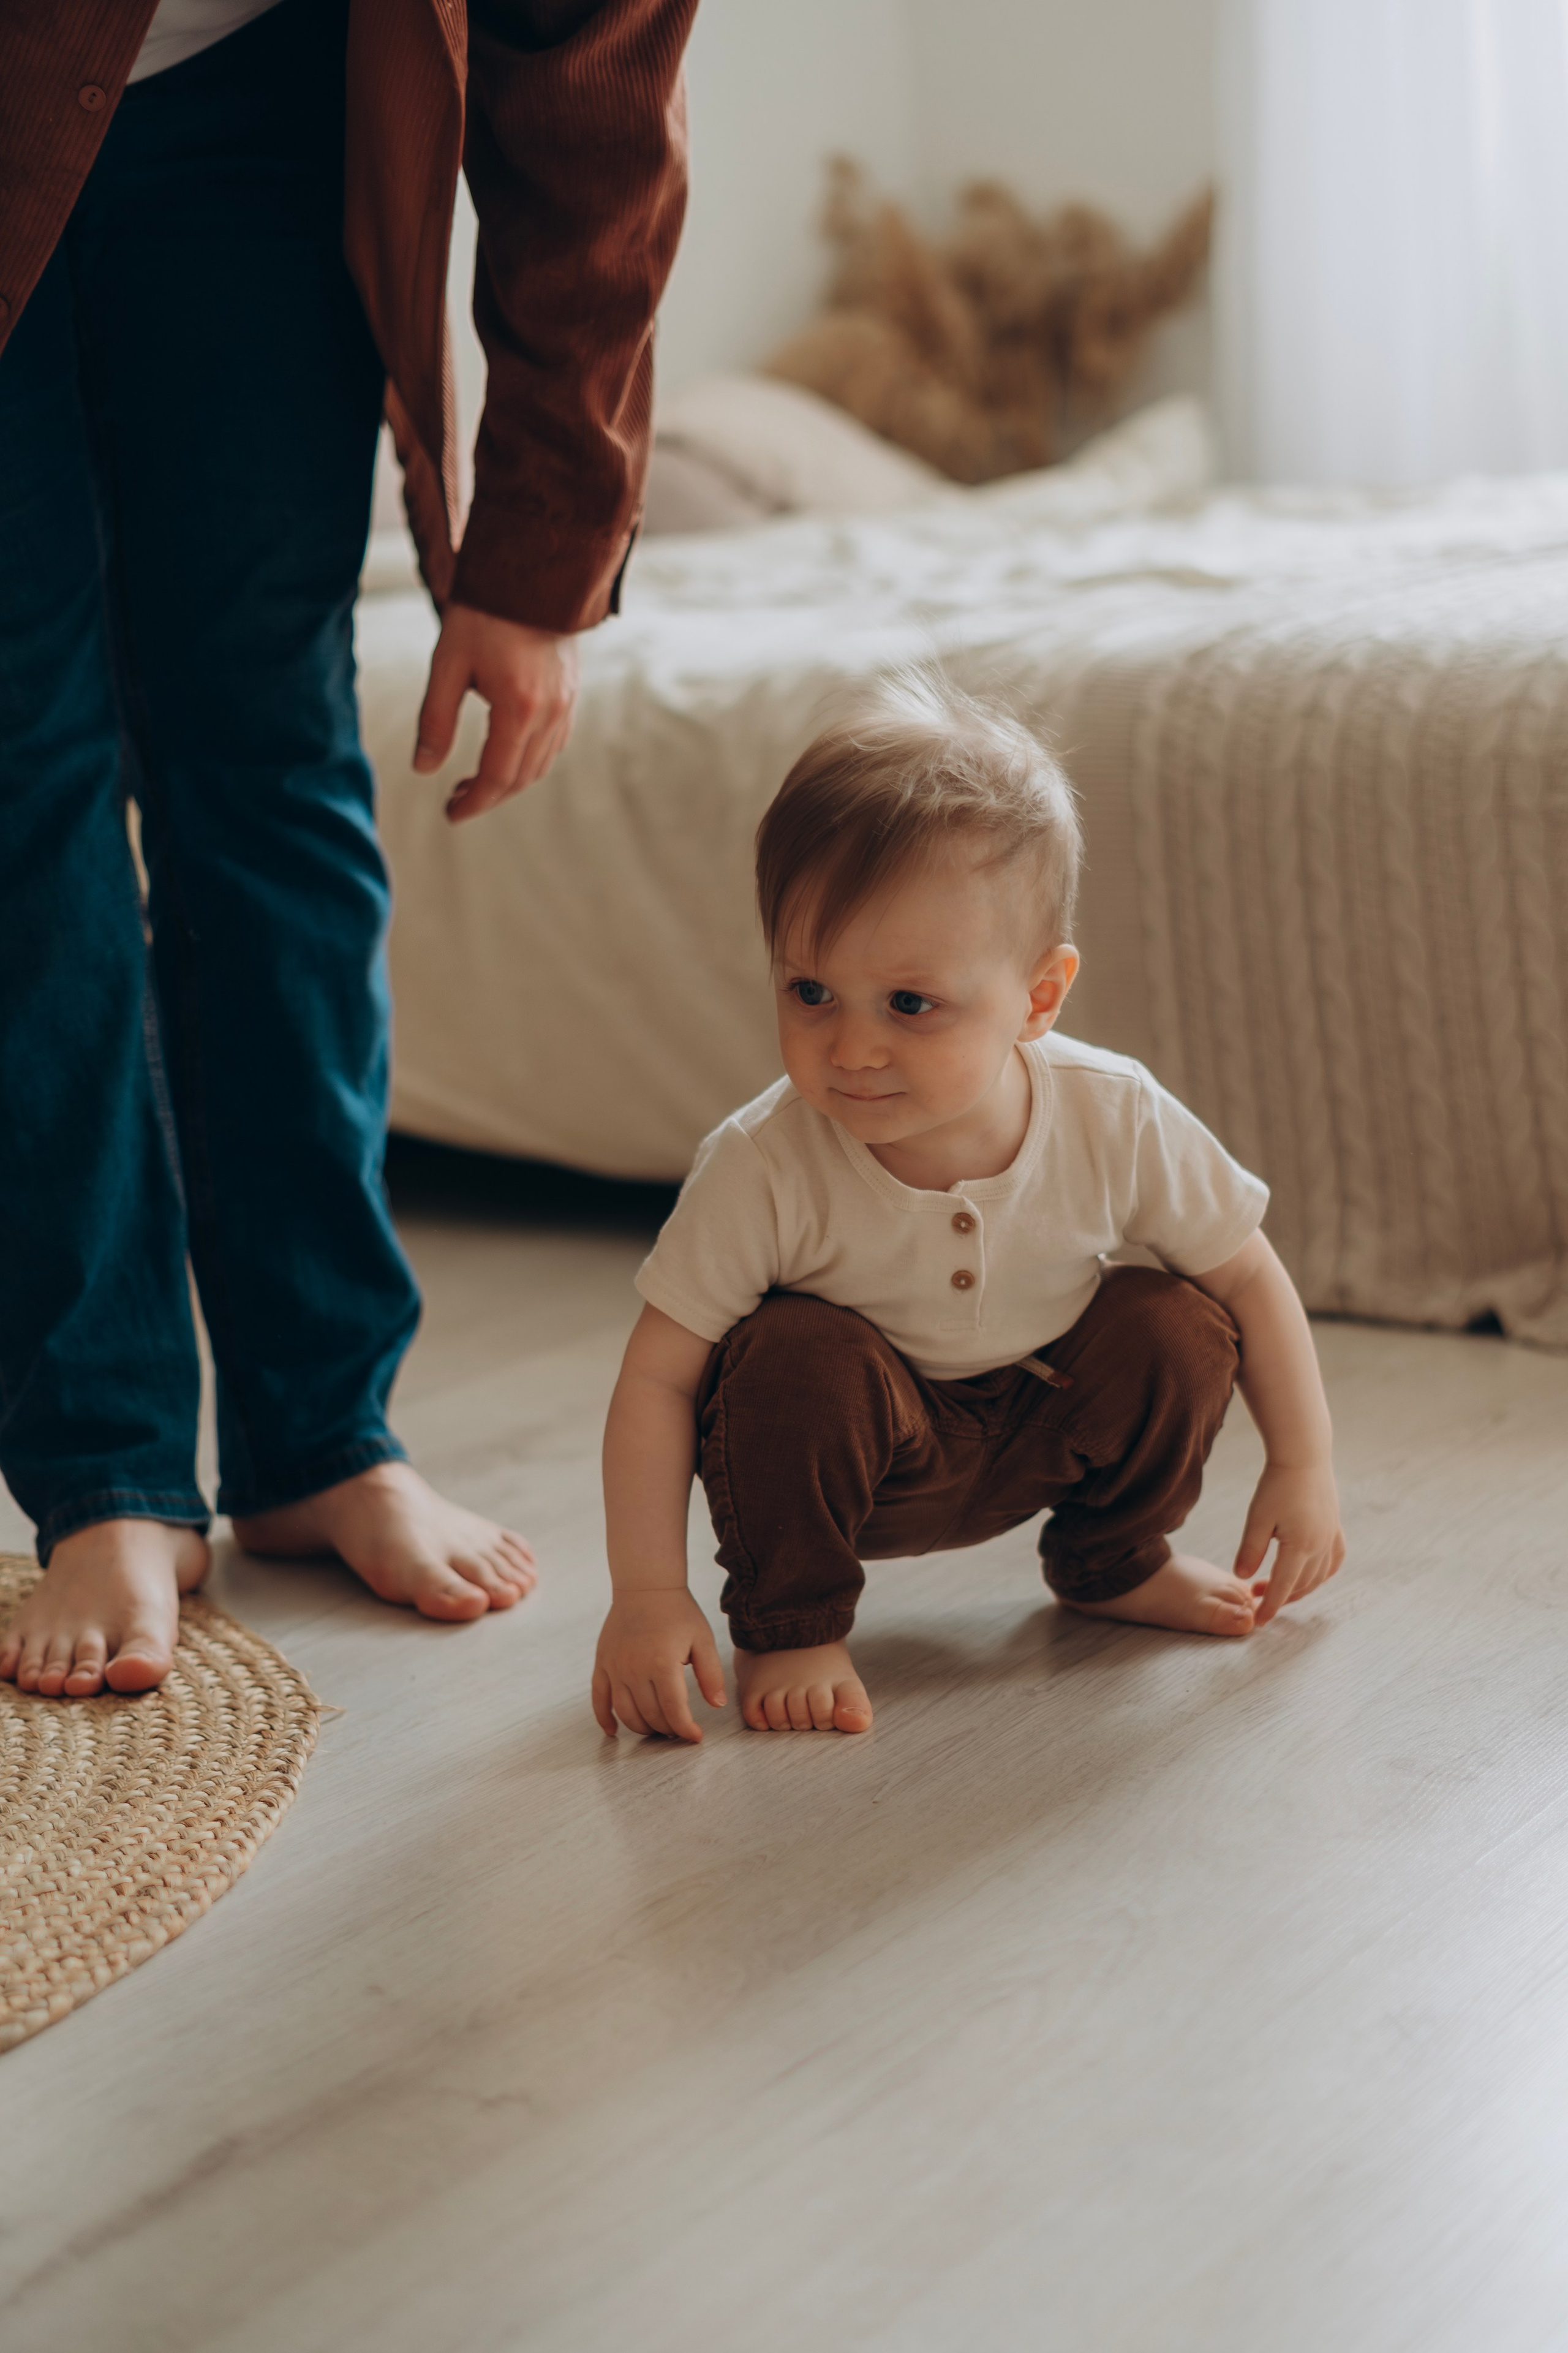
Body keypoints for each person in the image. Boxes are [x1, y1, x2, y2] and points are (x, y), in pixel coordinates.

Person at [0, 0, 696, 1699]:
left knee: (273, 759)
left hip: (265, 105)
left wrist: (540, 562)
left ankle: (320, 1433)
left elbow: (591, 108)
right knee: (20, 777)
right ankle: (108, 1470)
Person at [592, 671, 1347, 1741]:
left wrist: (1303, 1464)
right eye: (811, 991)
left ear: (1038, 998)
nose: (850, 1047)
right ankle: (791, 1619)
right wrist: (647, 1593)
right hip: (865, 1464)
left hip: (1048, 1420)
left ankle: (1111, 1558)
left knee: (1178, 1322)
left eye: (910, 1004)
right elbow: (659, 1378)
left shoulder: (1112, 1112)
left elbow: (1251, 1275)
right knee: (788, 1352)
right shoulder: (764, 1163)